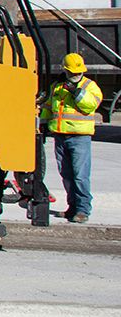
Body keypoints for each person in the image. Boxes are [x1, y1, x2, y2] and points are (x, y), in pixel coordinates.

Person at [41, 53, 103, 223]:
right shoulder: (57, 87)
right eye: (72, 72)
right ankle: (72, 208)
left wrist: (76, 92)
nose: (75, 75)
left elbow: (90, 105)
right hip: (60, 136)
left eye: (77, 72)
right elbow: (48, 106)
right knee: (66, 174)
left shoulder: (89, 86)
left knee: (80, 175)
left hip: (79, 137)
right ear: (65, 71)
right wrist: (44, 124)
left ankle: (83, 209)